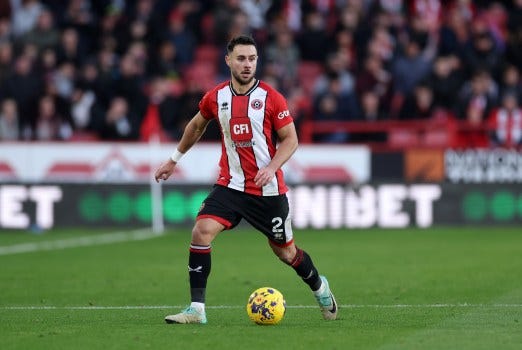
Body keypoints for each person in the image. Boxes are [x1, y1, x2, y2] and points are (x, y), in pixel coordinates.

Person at [154, 35, 338, 324]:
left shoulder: (271, 98)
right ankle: (196, 310)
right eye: (241, 58)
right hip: (230, 185)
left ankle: (320, 287)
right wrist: (173, 159)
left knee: (286, 252)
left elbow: (291, 140)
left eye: (252, 59)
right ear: (228, 61)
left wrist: (272, 166)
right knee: (201, 231)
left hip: (268, 191)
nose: (247, 64)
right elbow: (196, 126)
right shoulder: (216, 97)